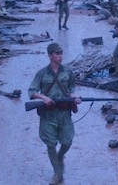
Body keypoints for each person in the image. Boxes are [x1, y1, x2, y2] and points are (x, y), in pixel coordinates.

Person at [28, 43, 82, 185]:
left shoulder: (68, 72)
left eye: (61, 53)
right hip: (49, 114)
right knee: (51, 144)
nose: (60, 56)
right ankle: (57, 173)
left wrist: (74, 97)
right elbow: (31, 91)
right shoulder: (41, 73)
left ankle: (60, 156)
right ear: (50, 56)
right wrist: (44, 98)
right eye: (57, 54)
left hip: (64, 113)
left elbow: (71, 88)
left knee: (67, 141)